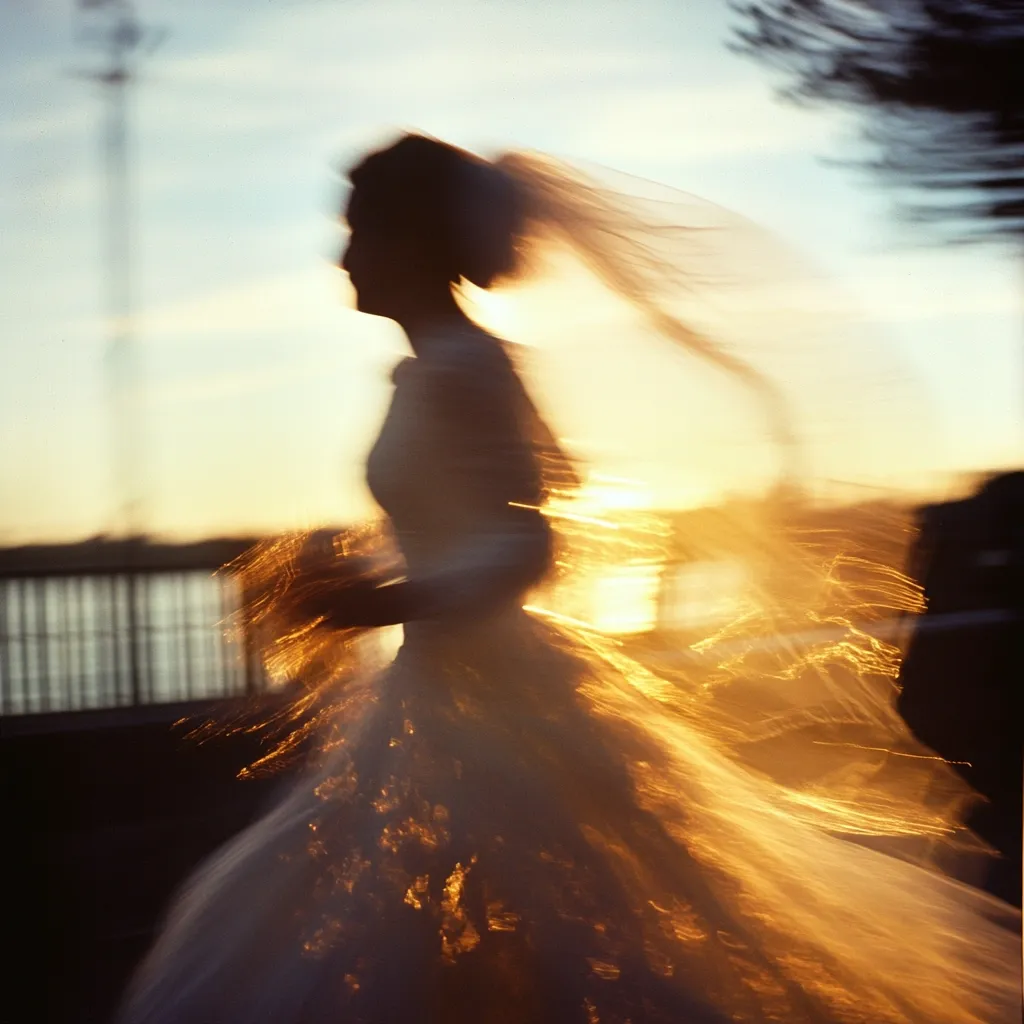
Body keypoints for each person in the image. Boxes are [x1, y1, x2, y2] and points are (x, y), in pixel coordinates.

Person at [117, 134, 1020, 1024]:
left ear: (411, 243)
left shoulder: (472, 365)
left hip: (498, 702)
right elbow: (458, 522)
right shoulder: (428, 369)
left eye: (357, 229)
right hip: (433, 691)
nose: (342, 253)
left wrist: (386, 597)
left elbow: (527, 545)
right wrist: (357, 572)